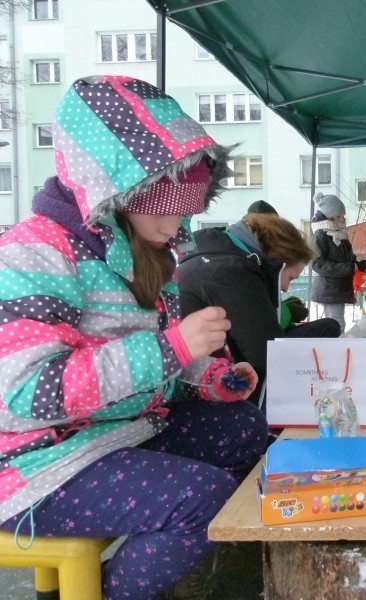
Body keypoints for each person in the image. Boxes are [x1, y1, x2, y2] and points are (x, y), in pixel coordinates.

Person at [0, 75, 268, 600]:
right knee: (203, 497)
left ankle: (180, 572)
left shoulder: (139, 252)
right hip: (38, 466)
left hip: (118, 432)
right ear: (112, 188)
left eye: (186, 209)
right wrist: (175, 347)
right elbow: (23, 395)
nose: (178, 226)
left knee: (242, 426)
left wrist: (208, 375)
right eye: (165, 208)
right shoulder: (35, 251)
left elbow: (146, 366)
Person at [178, 212, 342, 404]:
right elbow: (267, 355)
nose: (285, 288)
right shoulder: (231, 273)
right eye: (290, 278)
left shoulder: (218, 260)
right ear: (279, 262)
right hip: (211, 384)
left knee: (326, 327)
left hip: (202, 371)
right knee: (328, 328)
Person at [309, 191, 366, 332]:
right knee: (336, 325)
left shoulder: (339, 235)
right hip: (329, 289)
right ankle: (335, 353)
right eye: (338, 216)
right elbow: (317, 264)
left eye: (342, 216)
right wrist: (350, 268)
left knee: (337, 324)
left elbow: (350, 261)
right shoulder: (320, 234)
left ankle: (336, 351)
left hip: (338, 288)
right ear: (329, 216)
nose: (341, 220)